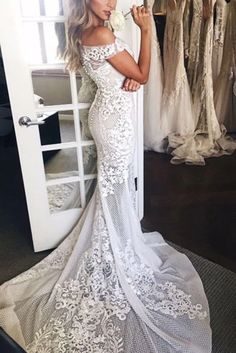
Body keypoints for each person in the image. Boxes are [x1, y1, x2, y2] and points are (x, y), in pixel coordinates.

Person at [0, 1, 212, 352]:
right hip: (113, 123)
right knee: (114, 187)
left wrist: (124, 74)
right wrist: (145, 32)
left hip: (110, 114)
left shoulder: (90, 31)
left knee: (113, 188)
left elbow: (128, 74)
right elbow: (142, 75)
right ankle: (115, 245)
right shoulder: (99, 32)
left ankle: (119, 239)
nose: (111, 2)